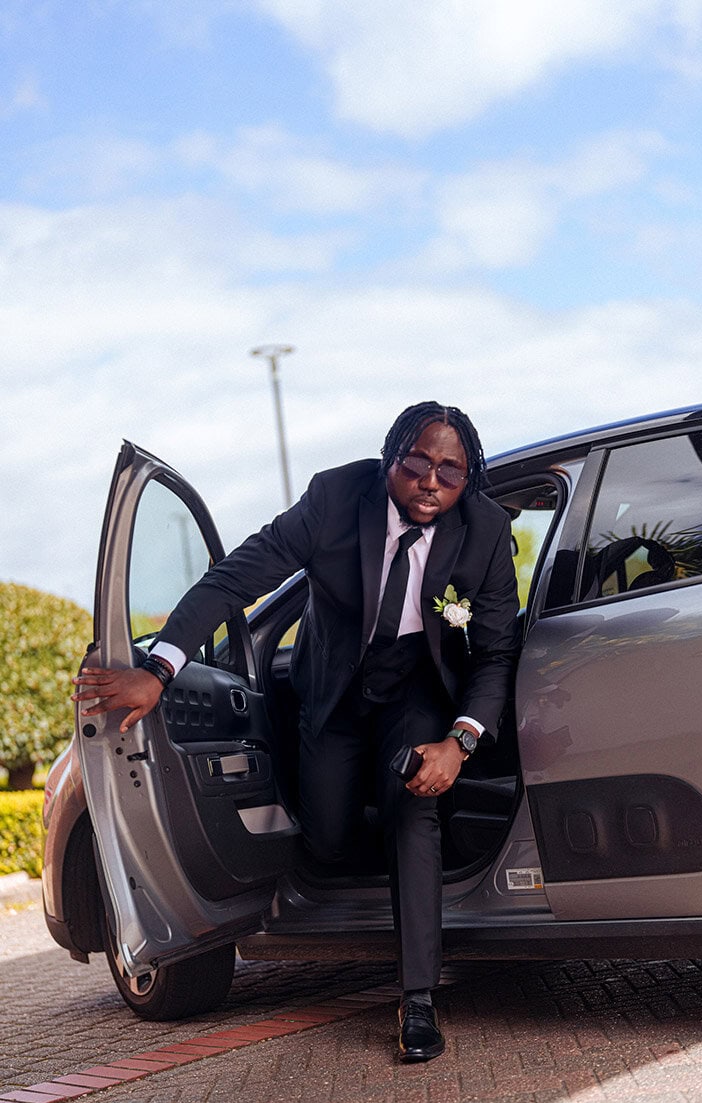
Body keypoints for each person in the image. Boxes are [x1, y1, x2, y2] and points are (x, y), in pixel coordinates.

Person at [73, 402, 521, 1063]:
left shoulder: (483, 530)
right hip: (333, 689)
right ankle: (349, 843)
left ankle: (419, 1000)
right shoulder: (336, 498)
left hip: (416, 691)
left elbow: (496, 651)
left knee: (414, 810)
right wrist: (161, 670)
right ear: (390, 457)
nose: (431, 480)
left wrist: (460, 740)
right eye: (417, 461)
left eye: (450, 470)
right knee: (331, 835)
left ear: (469, 477)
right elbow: (238, 580)